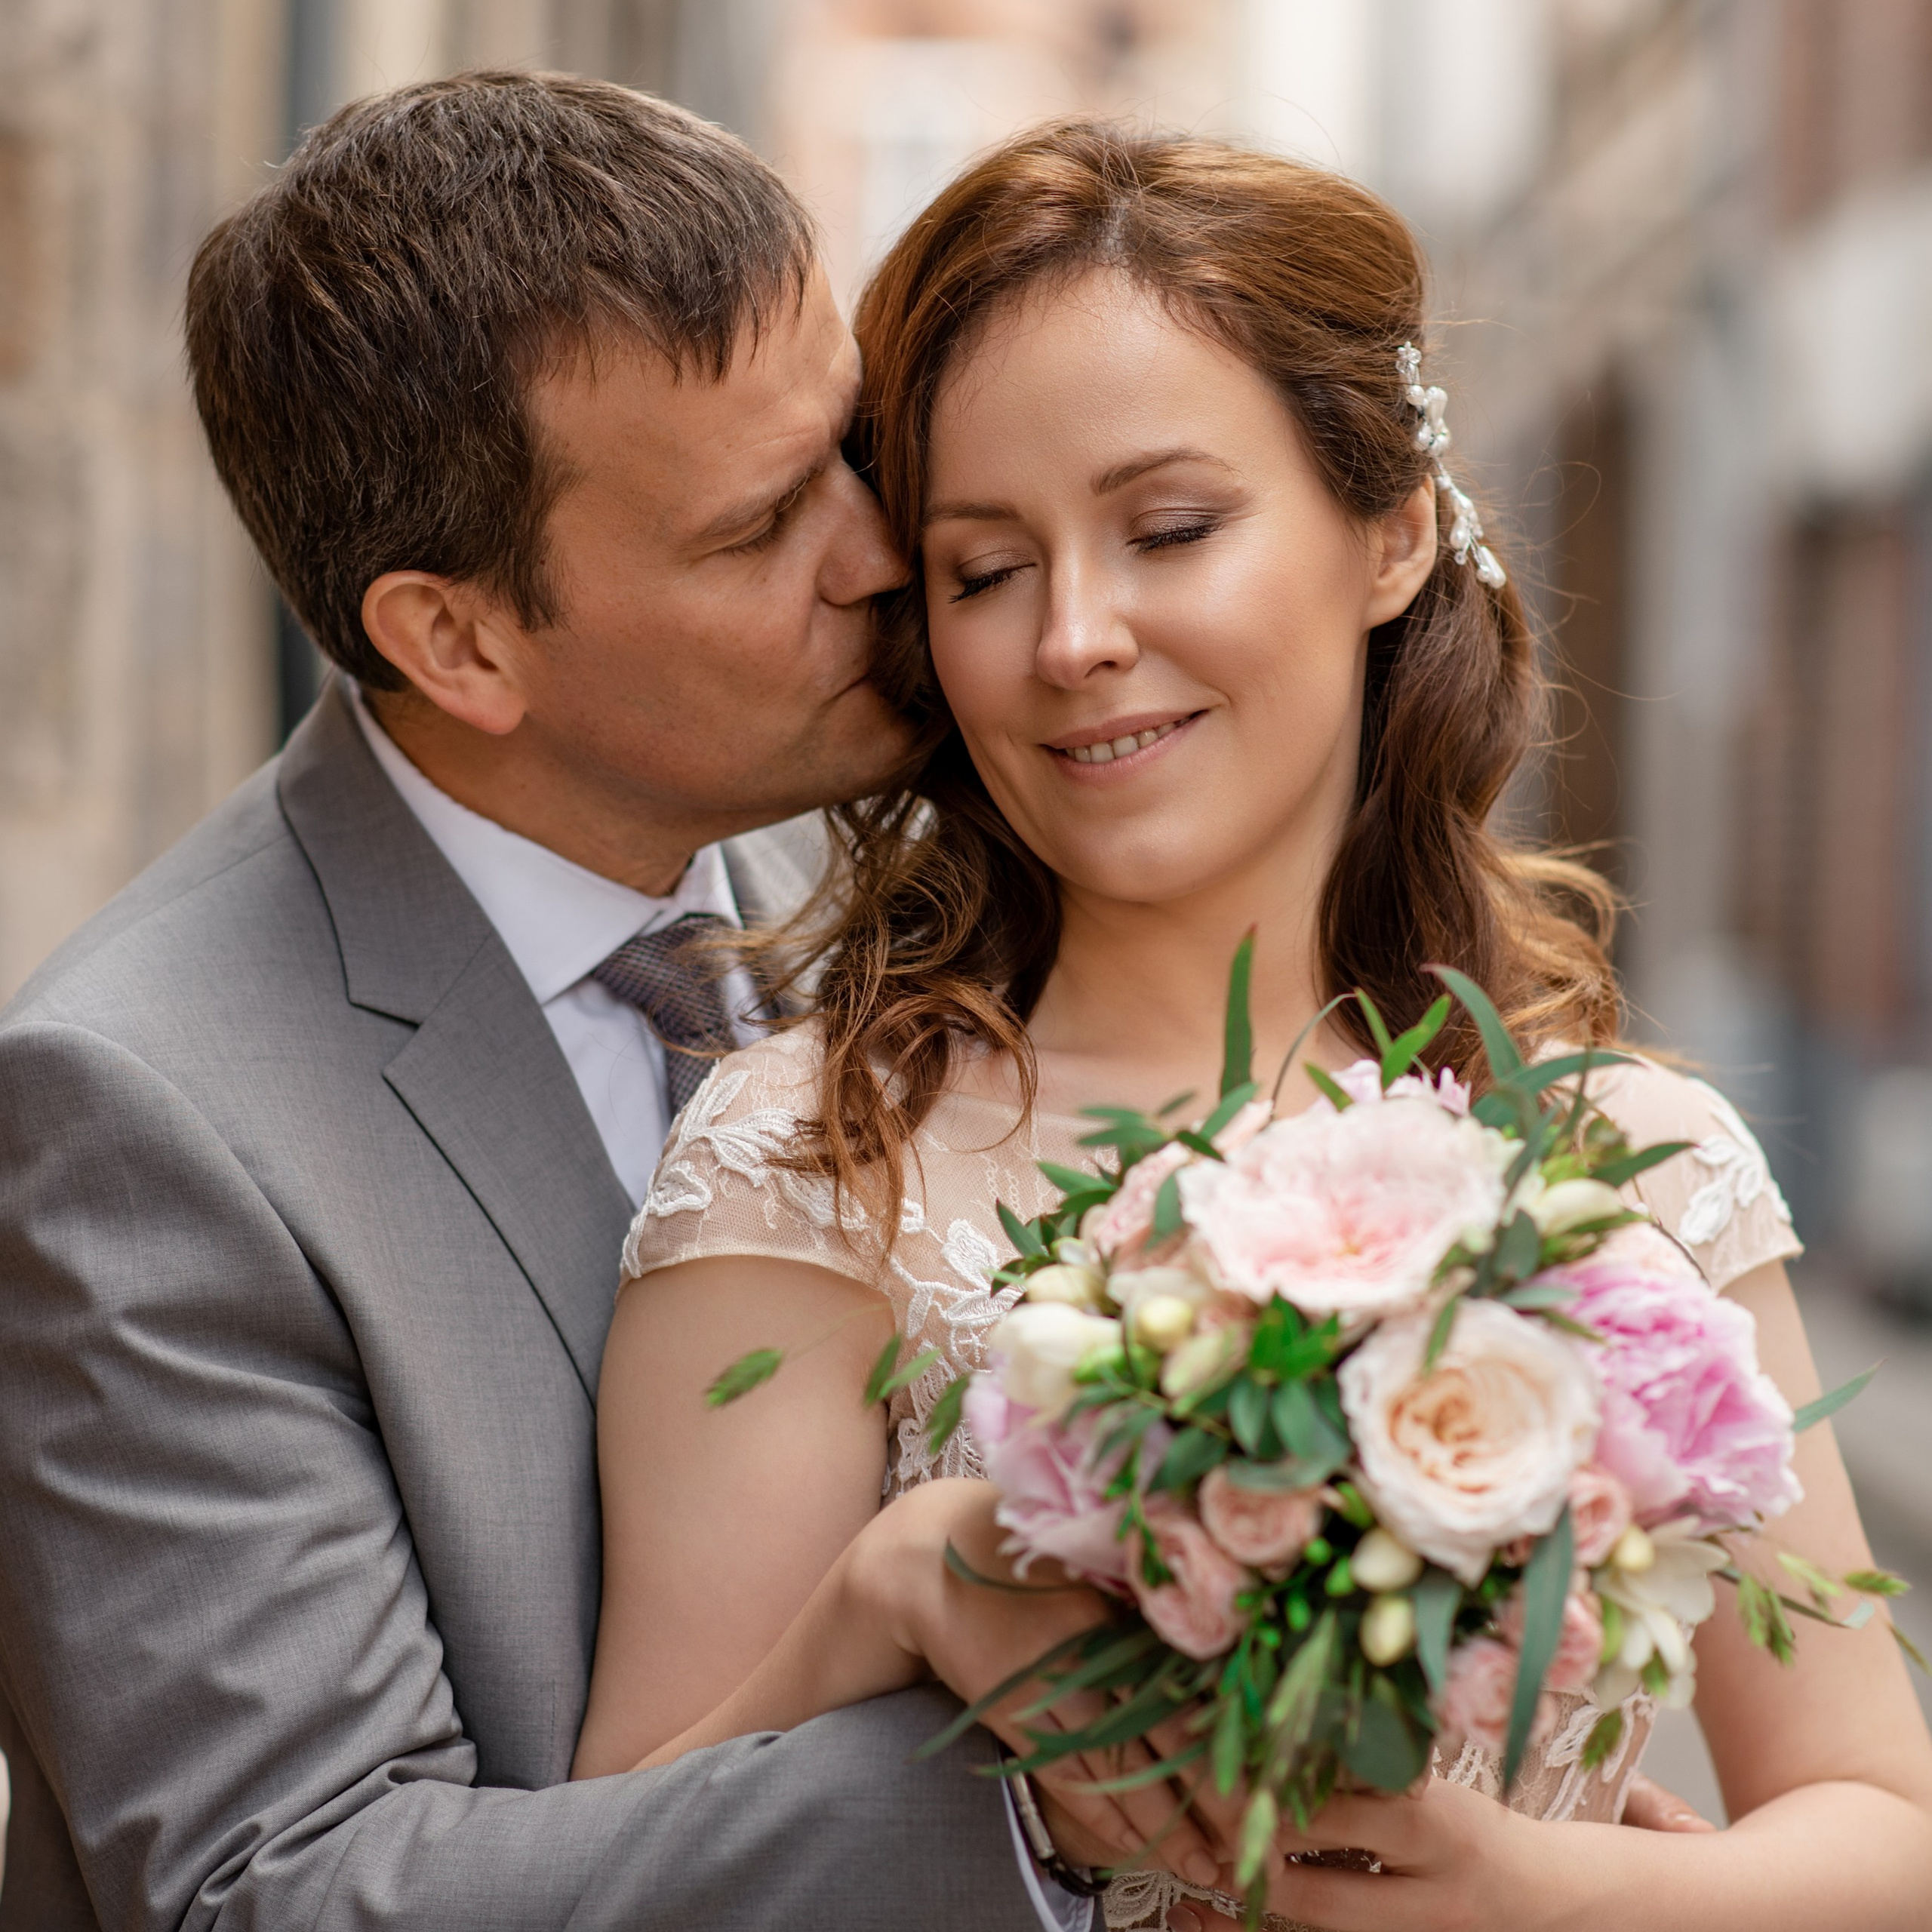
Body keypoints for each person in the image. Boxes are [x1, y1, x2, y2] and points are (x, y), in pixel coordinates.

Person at [580, 123, 1932, 1931]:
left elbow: (1876, 1826)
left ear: (1386, 534)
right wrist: (881, 1595)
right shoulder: (814, 1158)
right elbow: (611, 1885)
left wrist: (1523, 1886)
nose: (1071, 636)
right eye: (983, 568)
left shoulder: (1630, 1167)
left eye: (1166, 529)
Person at [0, 73, 1146, 1932]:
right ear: (453, 639)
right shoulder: (139, 1114)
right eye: (759, 527)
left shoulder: (909, 895)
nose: (879, 551)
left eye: (850, 445)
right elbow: (286, 1891)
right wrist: (1051, 1799)